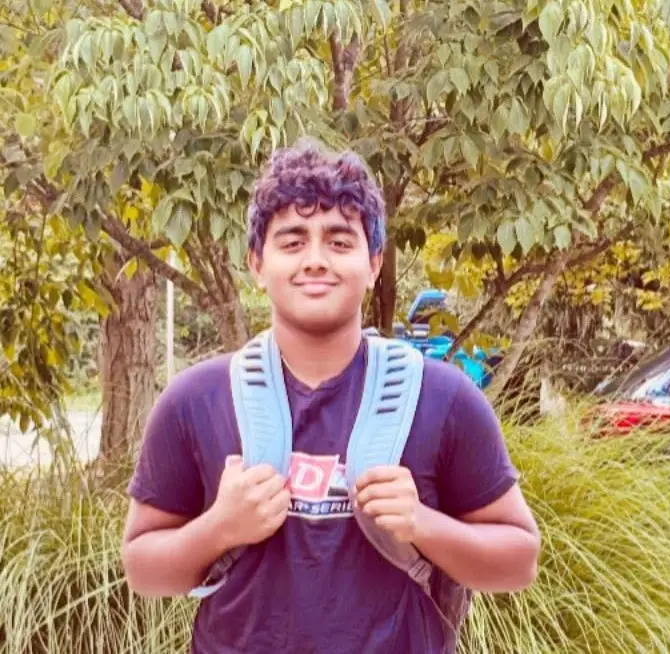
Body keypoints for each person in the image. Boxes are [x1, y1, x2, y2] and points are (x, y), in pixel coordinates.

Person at [121, 138, 541, 653]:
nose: (316, 261)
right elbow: (143, 570)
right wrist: (220, 528)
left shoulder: (443, 399)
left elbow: (519, 561)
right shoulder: (196, 401)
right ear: (257, 264)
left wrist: (422, 524)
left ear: (374, 264)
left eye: (340, 243)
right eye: (292, 242)